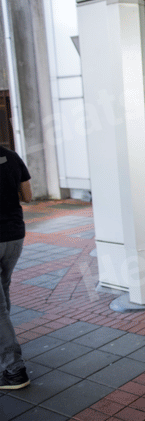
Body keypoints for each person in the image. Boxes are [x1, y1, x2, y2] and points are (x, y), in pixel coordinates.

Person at [0, 145, 32, 390]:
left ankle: (14, 369)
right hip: (14, 236)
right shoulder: (11, 156)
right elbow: (28, 195)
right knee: (4, 290)